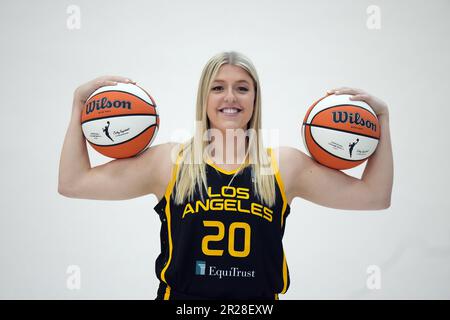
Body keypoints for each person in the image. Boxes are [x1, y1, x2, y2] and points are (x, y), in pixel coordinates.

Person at [58, 51, 393, 300]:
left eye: (242, 88)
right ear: (204, 98)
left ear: (255, 98)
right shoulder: (170, 162)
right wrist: (78, 107)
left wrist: (383, 120)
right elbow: (73, 183)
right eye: (218, 87)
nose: (230, 97)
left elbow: (374, 196)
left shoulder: (284, 166)